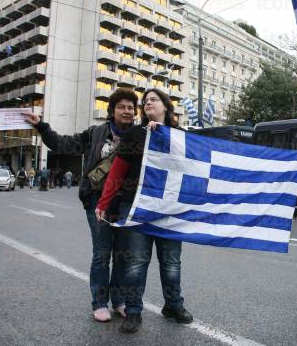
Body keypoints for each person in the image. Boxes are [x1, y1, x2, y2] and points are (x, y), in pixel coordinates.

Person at [23, 88, 138, 322]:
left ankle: (119, 301)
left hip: (127, 202)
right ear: (112, 111)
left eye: (130, 108)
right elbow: (62, 144)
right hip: (98, 200)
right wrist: (41, 126)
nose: (126, 111)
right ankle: (99, 303)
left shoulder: (141, 135)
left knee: (123, 255)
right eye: (121, 107)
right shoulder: (95, 133)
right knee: (102, 253)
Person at [95, 88, 193, 333]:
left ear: (166, 107)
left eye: (154, 100)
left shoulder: (180, 135)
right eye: (146, 101)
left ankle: (173, 304)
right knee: (136, 263)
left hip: (170, 209)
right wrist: (103, 203)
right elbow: (117, 171)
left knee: (171, 262)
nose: (148, 103)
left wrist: (163, 137)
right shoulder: (135, 134)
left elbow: (193, 168)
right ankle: (134, 312)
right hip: (137, 207)